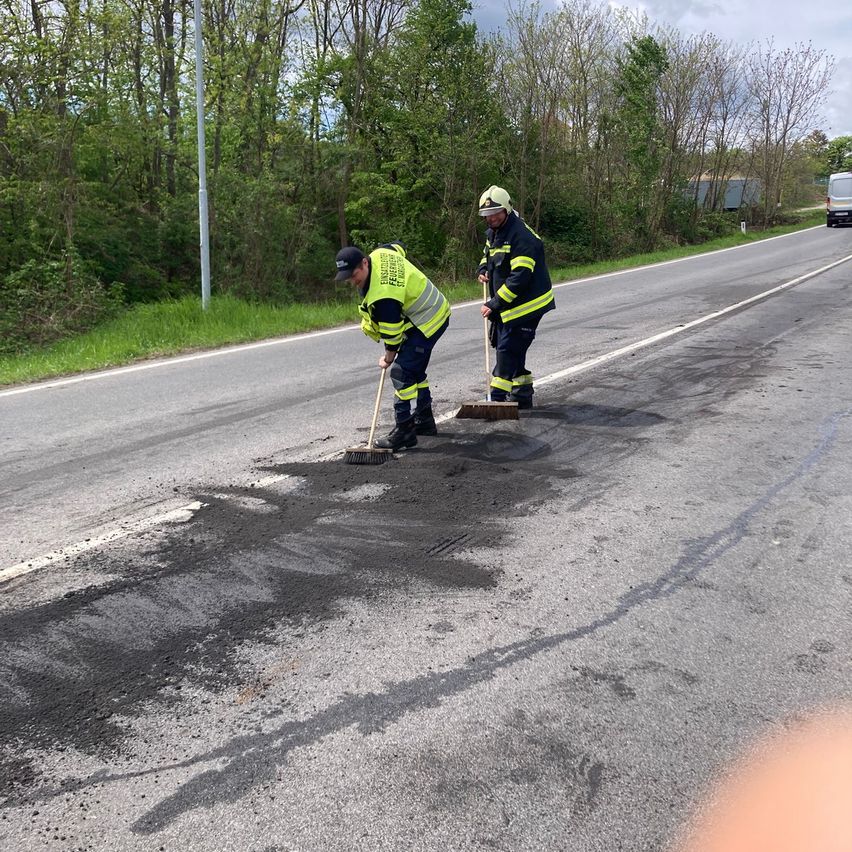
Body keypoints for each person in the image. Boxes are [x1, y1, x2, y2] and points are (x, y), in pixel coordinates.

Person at [334, 242, 451, 450]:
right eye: (348, 278)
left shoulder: (383, 296)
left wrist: (388, 359)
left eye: (354, 275)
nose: (353, 281)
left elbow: (393, 335)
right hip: (429, 311)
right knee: (414, 370)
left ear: (364, 263)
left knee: (401, 372)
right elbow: (398, 247)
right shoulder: (381, 252)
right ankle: (424, 421)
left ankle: (405, 431)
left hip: (428, 320)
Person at [476, 185, 555, 409]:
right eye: (486, 216)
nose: (490, 219)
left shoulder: (522, 237)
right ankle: (522, 393)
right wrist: (482, 270)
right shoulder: (495, 231)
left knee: (508, 348)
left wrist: (494, 303)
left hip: (527, 304)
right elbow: (488, 255)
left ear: (507, 210)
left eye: (494, 214)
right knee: (512, 347)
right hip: (510, 304)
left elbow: (519, 278)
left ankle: (497, 399)